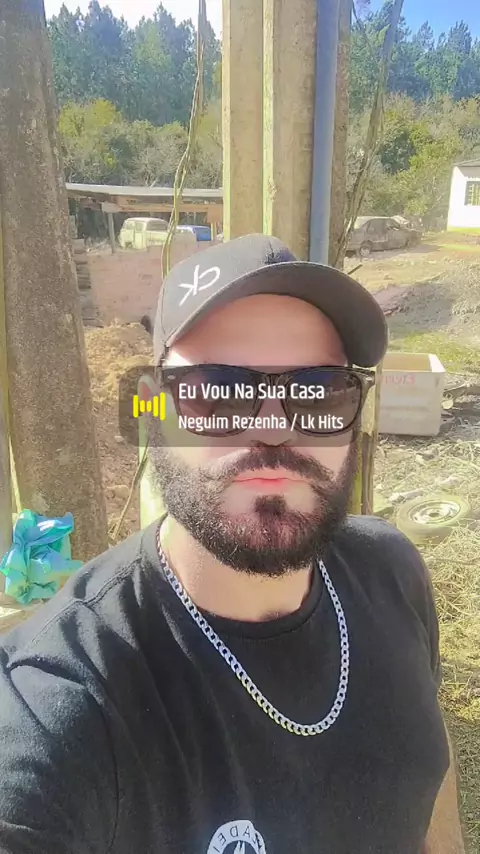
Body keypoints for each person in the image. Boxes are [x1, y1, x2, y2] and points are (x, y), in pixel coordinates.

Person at [0, 234, 464, 854]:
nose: (272, 429)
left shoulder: (393, 570)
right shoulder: (58, 703)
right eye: (217, 390)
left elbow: (429, 772)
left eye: (317, 389)